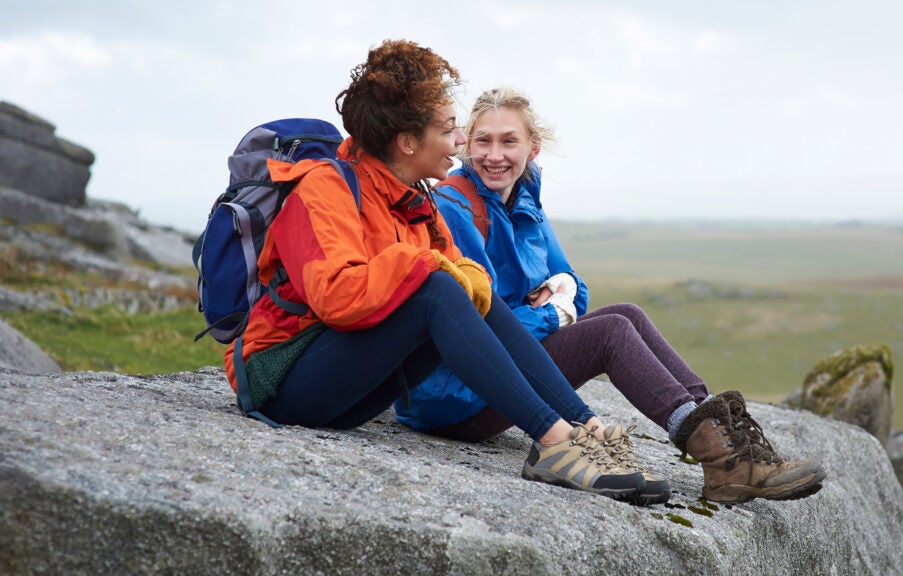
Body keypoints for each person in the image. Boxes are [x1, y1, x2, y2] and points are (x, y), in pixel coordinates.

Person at [223, 40, 665, 503]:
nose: (461, 142)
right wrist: (425, 265)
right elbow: (338, 297)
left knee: (469, 288)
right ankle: (554, 444)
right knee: (436, 285)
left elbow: (463, 275)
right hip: (285, 382)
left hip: (353, 387)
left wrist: (453, 272)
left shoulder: (414, 197)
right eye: (451, 129)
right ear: (408, 141)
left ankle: (584, 427)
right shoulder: (323, 191)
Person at [394, 87, 827, 505]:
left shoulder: (525, 204)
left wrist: (562, 296)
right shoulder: (455, 205)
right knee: (610, 333)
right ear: (467, 144)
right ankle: (720, 458)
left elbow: (572, 286)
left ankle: (725, 439)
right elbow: (482, 325)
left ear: (533, 147)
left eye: (509, 141)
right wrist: (553, 315)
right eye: (483, 141)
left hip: (506, 372)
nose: (494, 155)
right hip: (456, 395)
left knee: (627, 313)